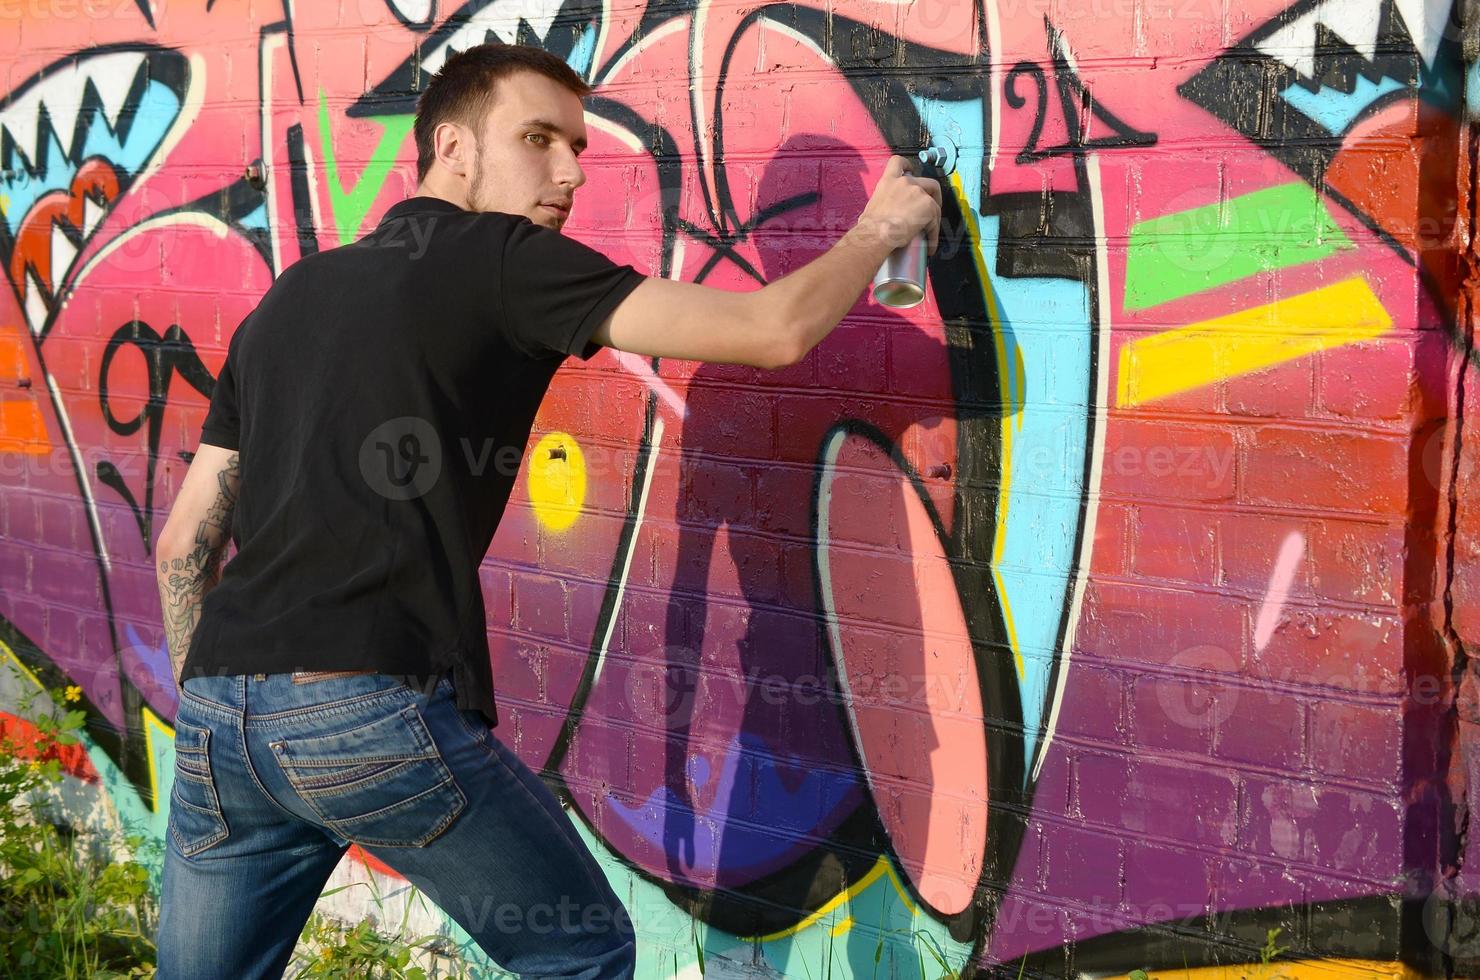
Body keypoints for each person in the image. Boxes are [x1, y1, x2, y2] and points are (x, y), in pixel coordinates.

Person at [152, 41, 940, 980]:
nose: (569, 172)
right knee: (583, 949)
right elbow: (771, 331)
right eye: (538, 139)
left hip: (215, 715)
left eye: (578, 146)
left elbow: (180, 547)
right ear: (452, 148)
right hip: (361, 705)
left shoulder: (288, 296)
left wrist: (218, 699)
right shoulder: (503, 259)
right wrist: (879, 226)